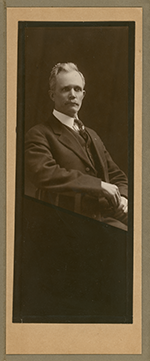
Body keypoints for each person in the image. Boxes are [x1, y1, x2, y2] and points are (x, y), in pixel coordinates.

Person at [25, 62, 128, 230]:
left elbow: (117, 175)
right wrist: (98, 186)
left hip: (105, 215)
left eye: (77, 89)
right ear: (52, 95)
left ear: (83, 94)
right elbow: (44, 173)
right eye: (65, 89)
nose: (72, 95)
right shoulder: (39, 133)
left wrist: (123, 196)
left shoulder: (92, 135)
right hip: (66, 222)